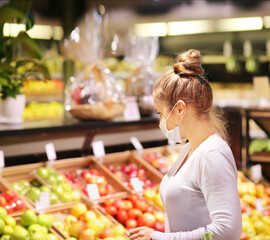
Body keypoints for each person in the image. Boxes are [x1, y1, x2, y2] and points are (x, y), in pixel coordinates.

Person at [129, 49, 242, 240]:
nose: (160, 122)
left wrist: (160, 238)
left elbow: (227, 231)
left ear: (180, 109)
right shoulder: (191, 148)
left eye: (160, 113)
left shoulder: (212, 153)